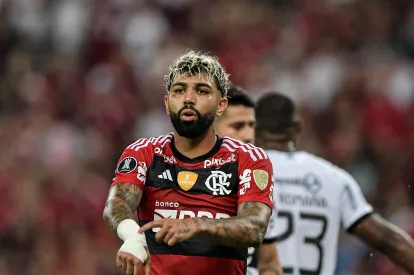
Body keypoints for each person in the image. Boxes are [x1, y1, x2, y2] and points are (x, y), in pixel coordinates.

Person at [103, 51, 275, 275]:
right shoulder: (143, 153)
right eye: (179, 90)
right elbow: (116, 203)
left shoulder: (248, 159)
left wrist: (195, 225)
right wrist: (132, 237)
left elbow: (255, 227)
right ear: (167, 103)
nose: (188, 98)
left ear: (221, 105)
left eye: (202, 91)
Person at [254, 92, 414, 275]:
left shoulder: (242, 174)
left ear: (254, 129)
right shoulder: (334, 178)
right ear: (297, 127)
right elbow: (389, 240)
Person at [214, 85, 282, 275]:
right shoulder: (180, 178)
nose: (248, 135)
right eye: (238, 126)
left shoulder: (259, 184)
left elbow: (269, 263)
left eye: (251, 125)